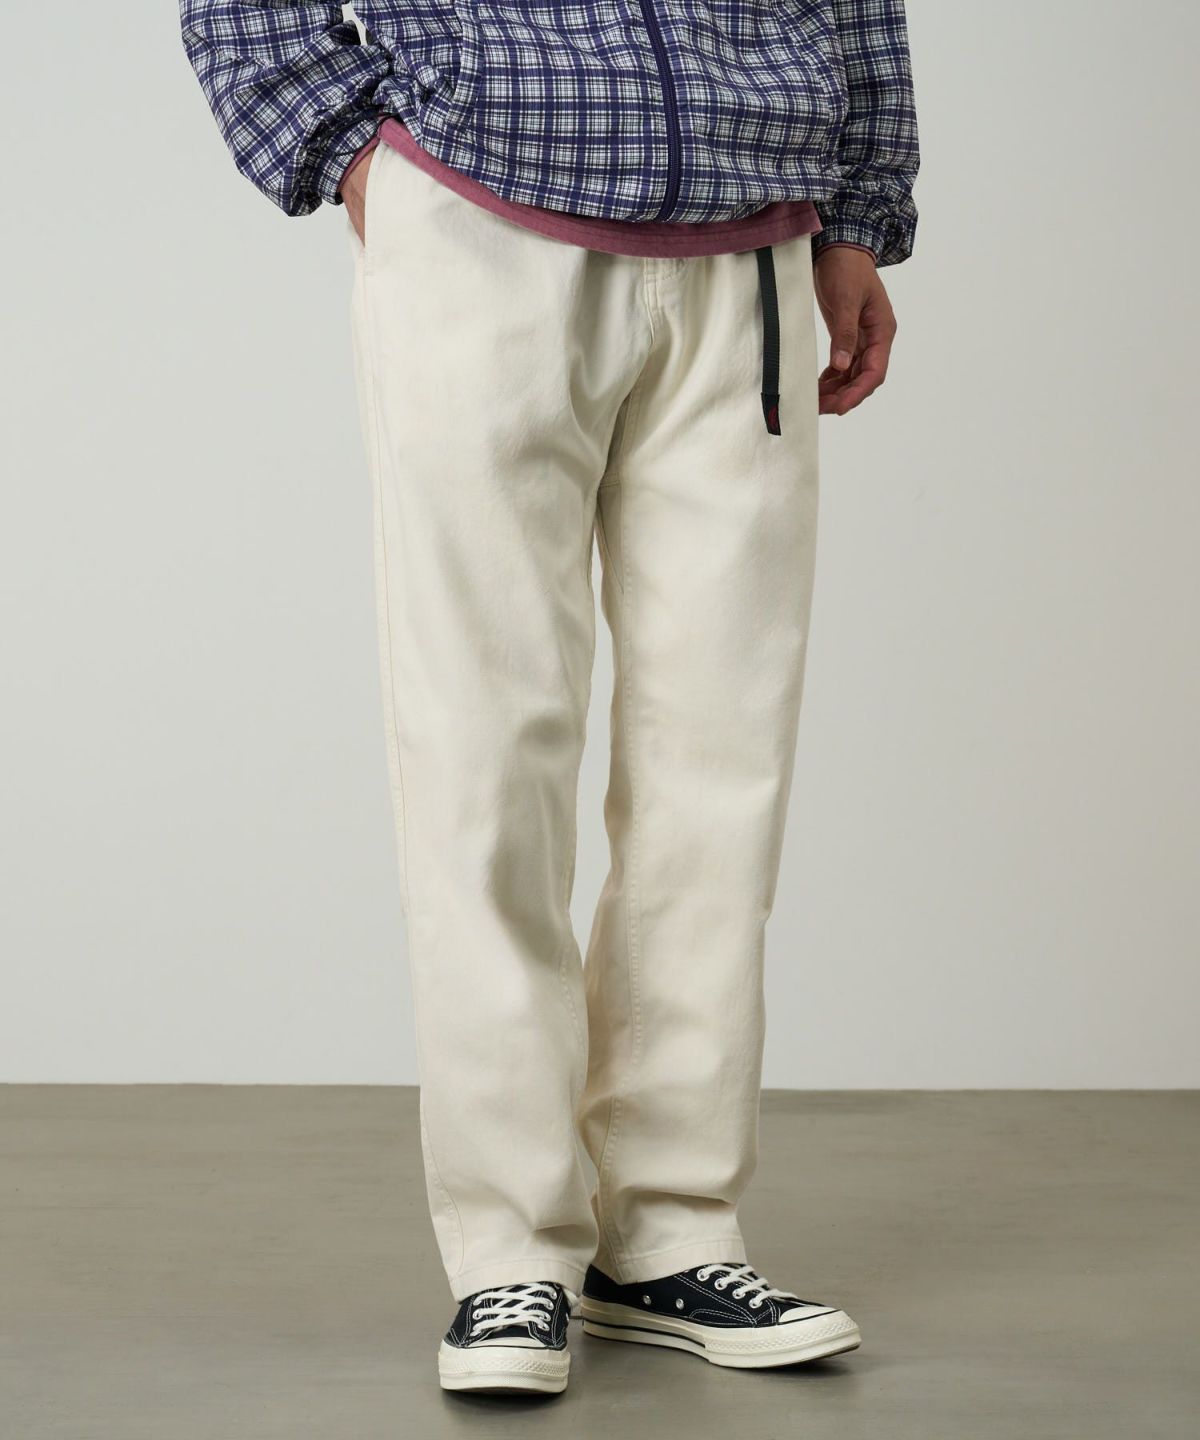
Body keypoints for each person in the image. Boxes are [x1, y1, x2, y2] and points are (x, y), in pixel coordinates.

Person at [181, 0, 918, 1396]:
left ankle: (672, 1231)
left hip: (752, 245)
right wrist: (347, 149)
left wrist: (858, 219)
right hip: (483, 219)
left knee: (722, 756)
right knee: (485, 746)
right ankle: (511, 1249)